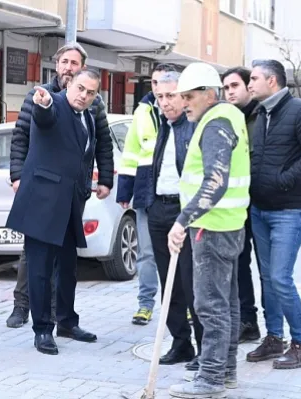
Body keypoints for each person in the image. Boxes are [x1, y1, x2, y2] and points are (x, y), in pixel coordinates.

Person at [6, 43, 114, 328]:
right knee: (35, 259)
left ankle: (63, 318)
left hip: (73, 194)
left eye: (74, 63)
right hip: (42, 193)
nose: (68, 67)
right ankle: (23, 307)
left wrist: (104, 179)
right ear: (57, 66)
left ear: (83, 69)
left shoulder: (92, 106)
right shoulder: (43, 97)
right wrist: (17, 175)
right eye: (64, 62)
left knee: (65, 262)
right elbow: (25, 134)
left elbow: (102, 143)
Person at [166, 62, 250, 398]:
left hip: (211, 228)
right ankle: (224, 371)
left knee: (210, 306)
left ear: (208, 93)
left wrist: (182, 220)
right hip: (228, 225)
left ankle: (211, 378)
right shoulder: (230, 118)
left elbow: (215, 181)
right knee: (227, 305)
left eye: (189, 95)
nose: (184, 102)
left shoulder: (216, 123)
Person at [245, 59, 301, 369]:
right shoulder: (260, 113)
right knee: (268, 278)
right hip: (259, 210)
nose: (249, 83)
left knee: (280, 277)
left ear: (272, 81)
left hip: (289, 210)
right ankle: (274, 339)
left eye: (254, 78)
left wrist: (284, 180)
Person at [146, 71, 203, 369]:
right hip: (159, 210)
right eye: (160, 97)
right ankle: (181, 343)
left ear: (184, 96)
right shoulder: (163, 126)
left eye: (171, 96)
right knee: (168, 281)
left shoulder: (193, 127)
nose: (165, 102)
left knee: (191, 282)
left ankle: (204, 346)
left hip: (186, 214)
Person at [117, 64, 169, 326]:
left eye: (163, 82)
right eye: (155, 82)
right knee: (147, 252)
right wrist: (124, 190)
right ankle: (145, 304)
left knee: (176, 254)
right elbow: (131, 151)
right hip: (146, 189)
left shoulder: (181, 110)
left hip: (173, 192)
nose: (158, 87)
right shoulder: (143, 111)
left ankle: (178, 305)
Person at [221, 66, 263, 342]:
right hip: (238, 205)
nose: (230, 92)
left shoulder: (262, 116)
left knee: (269, 270)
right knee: (239, 263)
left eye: (234, 85)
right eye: (225, 88)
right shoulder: (228, 117)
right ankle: (247, 320)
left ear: (250, 86)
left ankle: (272, 330)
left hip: (264, 203)